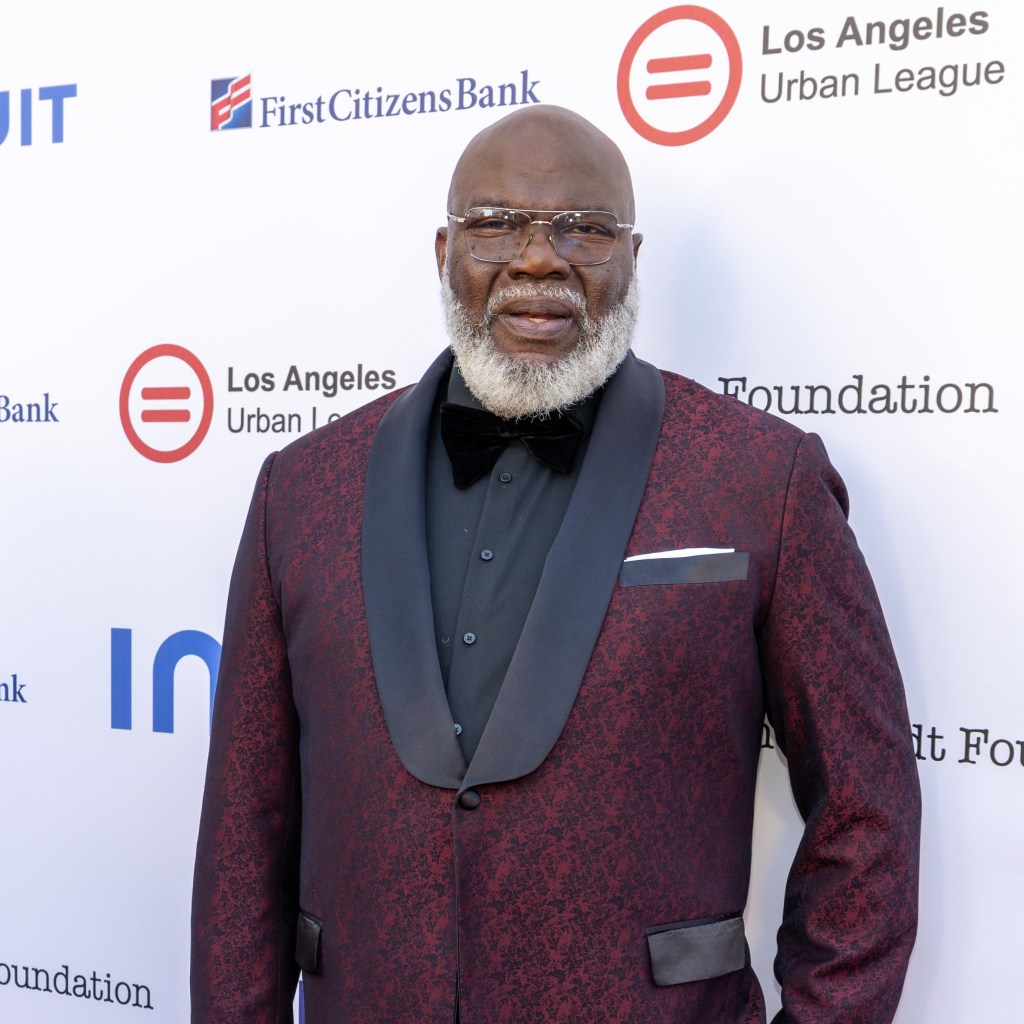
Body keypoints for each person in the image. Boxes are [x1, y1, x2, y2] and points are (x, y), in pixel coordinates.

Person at [191, 105, 920, 1024]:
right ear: (444, 249)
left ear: (632, 257)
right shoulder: (299, 489)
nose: (540, 259)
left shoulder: (761, 477)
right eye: (496, 223)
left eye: (584, 228)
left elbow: (869, 811)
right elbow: (242, 835)